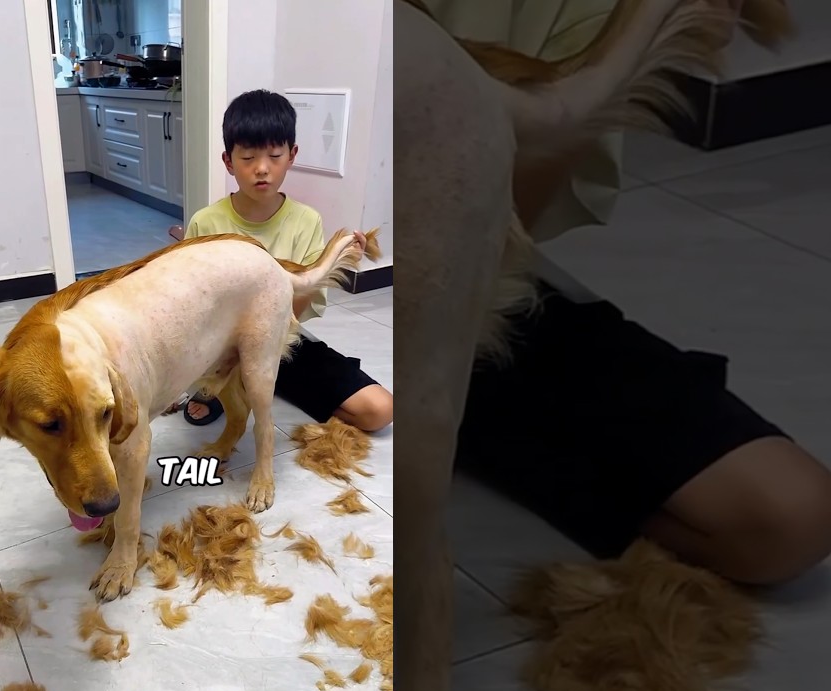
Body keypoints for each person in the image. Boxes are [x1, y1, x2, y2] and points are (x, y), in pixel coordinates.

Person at [425, 0, 831, 586]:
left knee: (791, 519)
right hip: (322, 282)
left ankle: (457, 433)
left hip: (469, 287)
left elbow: (501, 231)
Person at [174, 89, 393, 433]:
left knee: (379, 411)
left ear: (292, 155)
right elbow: (193, 309)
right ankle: (241, 383)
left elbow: (295, 309)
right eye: (248, 158)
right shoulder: (206, 222)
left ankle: (267, 381)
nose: (262, 169)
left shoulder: (306, 222)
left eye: (275, 156)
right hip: (221, 350)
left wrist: (337, 260)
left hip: (282, 340)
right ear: (228, 161)